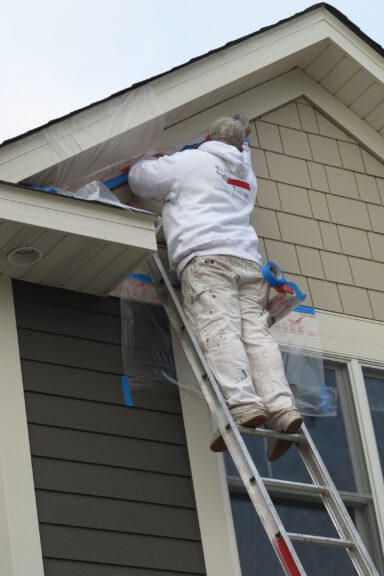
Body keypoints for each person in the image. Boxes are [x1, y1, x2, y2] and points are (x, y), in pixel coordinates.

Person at [128, 116, 302, 461]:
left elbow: (139, 180)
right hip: (250, 265)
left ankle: (243, 404)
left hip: (207, 260)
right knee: (256, 336)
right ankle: (283, 410)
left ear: (207, 137)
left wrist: (156, 160)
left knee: (220, 331)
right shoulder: (246, 175)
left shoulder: (191, 162)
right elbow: (241, 150)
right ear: (239, 146)